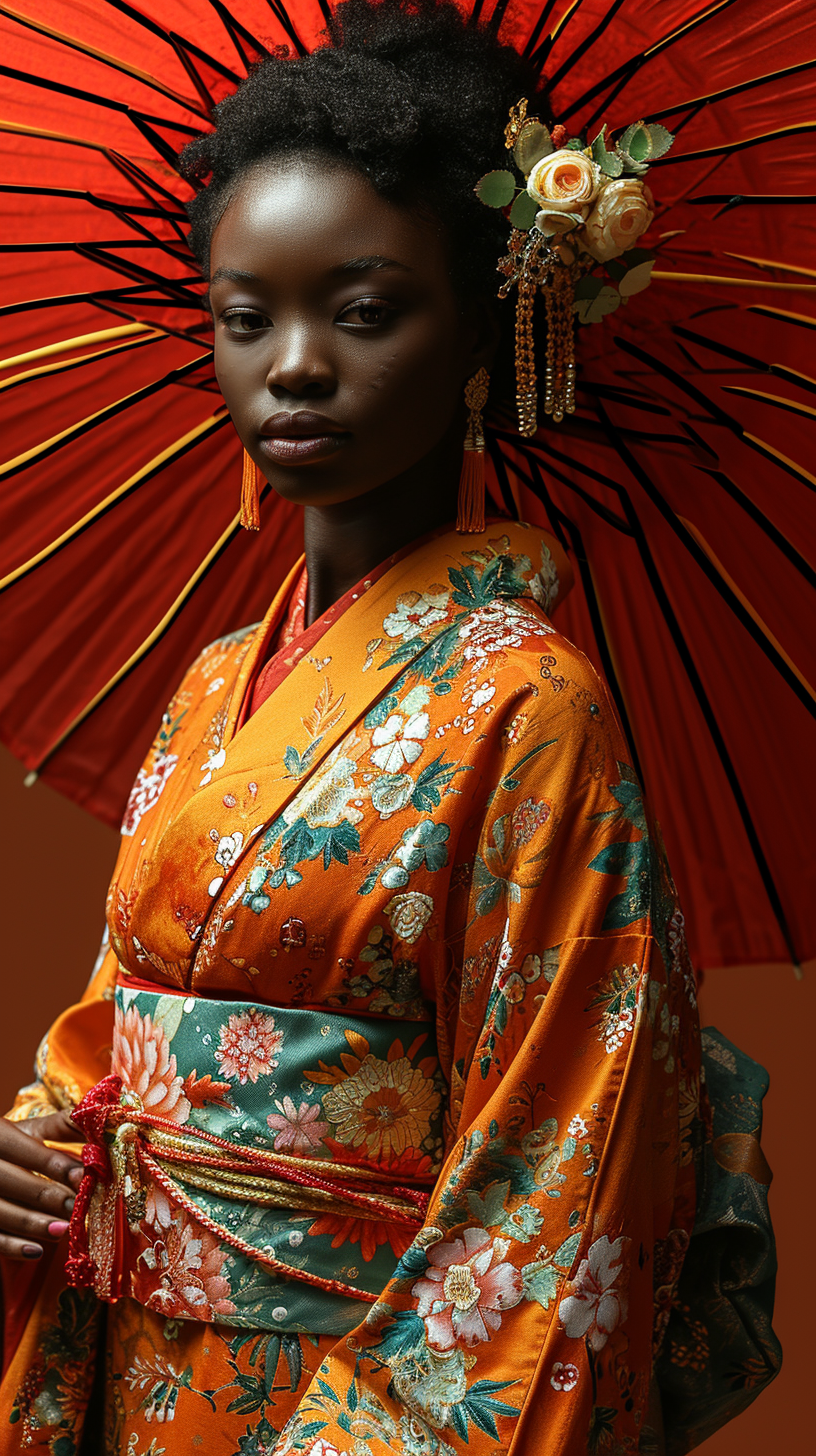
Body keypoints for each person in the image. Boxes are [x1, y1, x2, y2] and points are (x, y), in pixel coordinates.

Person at [0, 2, 702, 1451]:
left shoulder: (530, 708)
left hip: (346, 1403)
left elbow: (562, 1161)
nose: (296, 364)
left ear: (487, 332)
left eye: (364, 309)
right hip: (135, 1371)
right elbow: (117, 1030)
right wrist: (30, 1152)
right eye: (247, 317)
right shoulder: (209, 687)